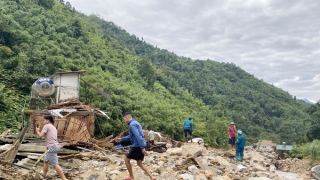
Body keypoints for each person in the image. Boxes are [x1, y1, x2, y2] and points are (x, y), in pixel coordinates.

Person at [115, 112, 155, 180]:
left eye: (124, 119)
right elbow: (131, 136)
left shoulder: (132, 125)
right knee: (139, 163)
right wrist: (122, 139)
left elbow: (138, 136)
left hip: (137, 145)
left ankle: (131, 177)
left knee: (126, 160)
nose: (124, 121)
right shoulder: (136, 123)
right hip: (140, 144)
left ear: (127, 118)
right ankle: (152, 177)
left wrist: (142, 147)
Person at [36, 115, 68, 180]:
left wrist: (37, 130)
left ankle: (64, 178)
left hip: (51, 147)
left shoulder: (46, 126)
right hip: (54, 146)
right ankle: (44, 176)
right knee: (45, 161)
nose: (43, 121)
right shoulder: (53, 127)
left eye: (44, 120)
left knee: (55, 164)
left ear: (47, 121)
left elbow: (40, 135)